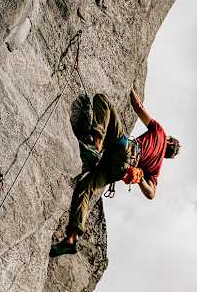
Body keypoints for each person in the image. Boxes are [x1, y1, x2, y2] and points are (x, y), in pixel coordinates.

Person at [49, 89, 180, 257]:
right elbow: (151, 194)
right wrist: (140, 178)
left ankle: (95, 145)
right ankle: (71, 239)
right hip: (119, 171)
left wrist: (131, 88)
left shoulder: (160, 133)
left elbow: (138, 107)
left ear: (169, 141)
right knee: (85, 188)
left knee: (102, 100)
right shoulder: (157, 166)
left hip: (125, 150)